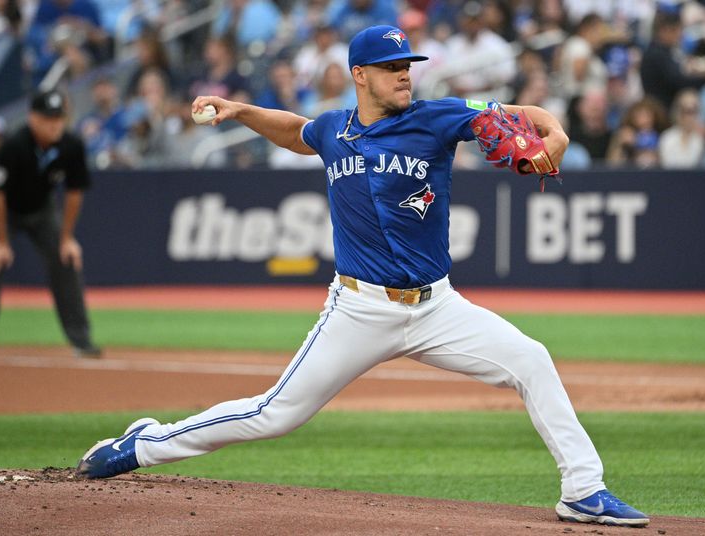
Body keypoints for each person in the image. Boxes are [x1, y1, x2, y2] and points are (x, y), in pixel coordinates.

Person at [76, 25, 649, 528]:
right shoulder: (334, 130)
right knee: (274, 415)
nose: (404, 77)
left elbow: (528, 118)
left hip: (436, 307)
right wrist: (244, 112)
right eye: (391, 69)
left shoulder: (438, 117)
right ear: (360, 75)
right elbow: (297, 131)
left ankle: (583, 491)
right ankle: (143, 444)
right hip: (358, 309)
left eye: (407, 67)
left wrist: (554, 135)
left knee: (532, 359)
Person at [0, 89, 101, 356]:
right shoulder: (13, 146)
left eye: (59, 118)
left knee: (66, 260)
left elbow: (75, 193)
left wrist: (67, 238)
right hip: (6, 211)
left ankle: (80, 339)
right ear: (33, 119)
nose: (55, 124)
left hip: (42, 210)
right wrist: (1, 243)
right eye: (48, 118)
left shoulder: (71, 146)